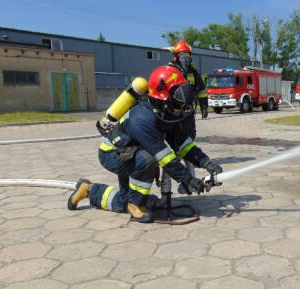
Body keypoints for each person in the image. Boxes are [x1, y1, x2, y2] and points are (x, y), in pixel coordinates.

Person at [67, 65, 223, 223]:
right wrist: (188, 179)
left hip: (129, 153)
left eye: (184, 91)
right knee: (148, 160)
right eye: (178, 93)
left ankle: (88, 190)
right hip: (112, 154)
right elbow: (163, 156)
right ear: (163, 94)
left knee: (122, 202)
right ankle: (136, 205)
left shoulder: (165, 111)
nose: (183, 99)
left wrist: (206, 162)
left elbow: (182, 144)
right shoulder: (142, 118)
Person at [169, 40, 209, 119]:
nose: (185, 59)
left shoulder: (193, 72)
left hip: (188, 111)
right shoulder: (170, 71)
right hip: (173, 111)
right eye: (182, 56)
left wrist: (204, 107)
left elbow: (201, 91)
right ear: (176, 57)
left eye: (187, 56)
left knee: (190, 131)